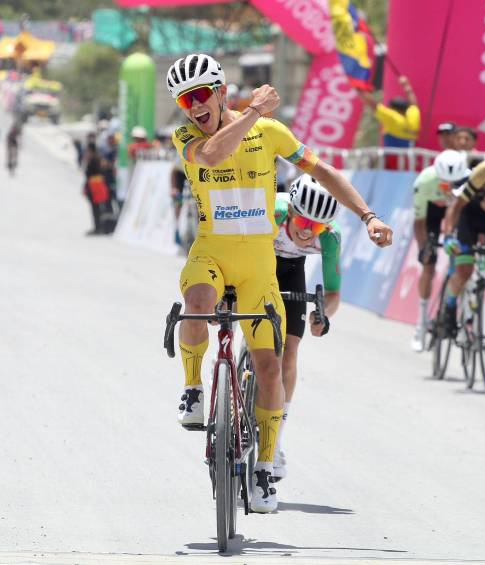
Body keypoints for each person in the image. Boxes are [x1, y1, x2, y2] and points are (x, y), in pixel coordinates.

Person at [167, 53, 393, 513]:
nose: (192, 106)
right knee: (196, 304)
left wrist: (368, 215)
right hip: (211, 250)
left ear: (220, 91)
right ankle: (193, 389)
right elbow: (213, 155)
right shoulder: (186, 135)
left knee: (271, 366)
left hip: (258, 265)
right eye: (183, 100)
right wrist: (252, 111)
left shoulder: (271, 133)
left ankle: (266, 469)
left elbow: (323, 172)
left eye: (199, 95)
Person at [272, 175, 342, 481]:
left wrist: (323, 315)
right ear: (290, 210)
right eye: (302, 219)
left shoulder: (329, 237)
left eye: (315, 226)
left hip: (291, 271)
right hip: (256, 261)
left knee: (290, 351)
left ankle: (274, 441)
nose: (305, 230)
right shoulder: (271, 211)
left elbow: (333, 293)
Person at [411, 150, 469, 352]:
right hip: (433, 214)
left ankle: (464, 319)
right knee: (428, 266)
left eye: (455, 183)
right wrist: (423, 248)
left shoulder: (471, 180)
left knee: (464, 262)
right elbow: (419, 223)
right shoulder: (425, 181)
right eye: (445, 183)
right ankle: (421, 323)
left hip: (460, 213)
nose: (449, 188)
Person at [443, 156, 485, 343]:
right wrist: (449, 235)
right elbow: (457, 205)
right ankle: (450, 307)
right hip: (471, 218)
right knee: (465, 271)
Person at [357, 75, 421, 149]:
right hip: (410, 158)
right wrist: (406, 85)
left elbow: (373, 105)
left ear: (396, 110)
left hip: (392, 158)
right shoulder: (413, 115)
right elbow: (413, 103)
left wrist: (359, 89)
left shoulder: (393, 117)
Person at [83, 142, 110, 235]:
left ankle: (98, 227)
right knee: (98, 207)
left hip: (94, 186)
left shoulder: (93, 159)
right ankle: (100, 227)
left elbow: (89, 174)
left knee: (96, 208)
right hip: (98, 184)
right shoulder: (98, 158)